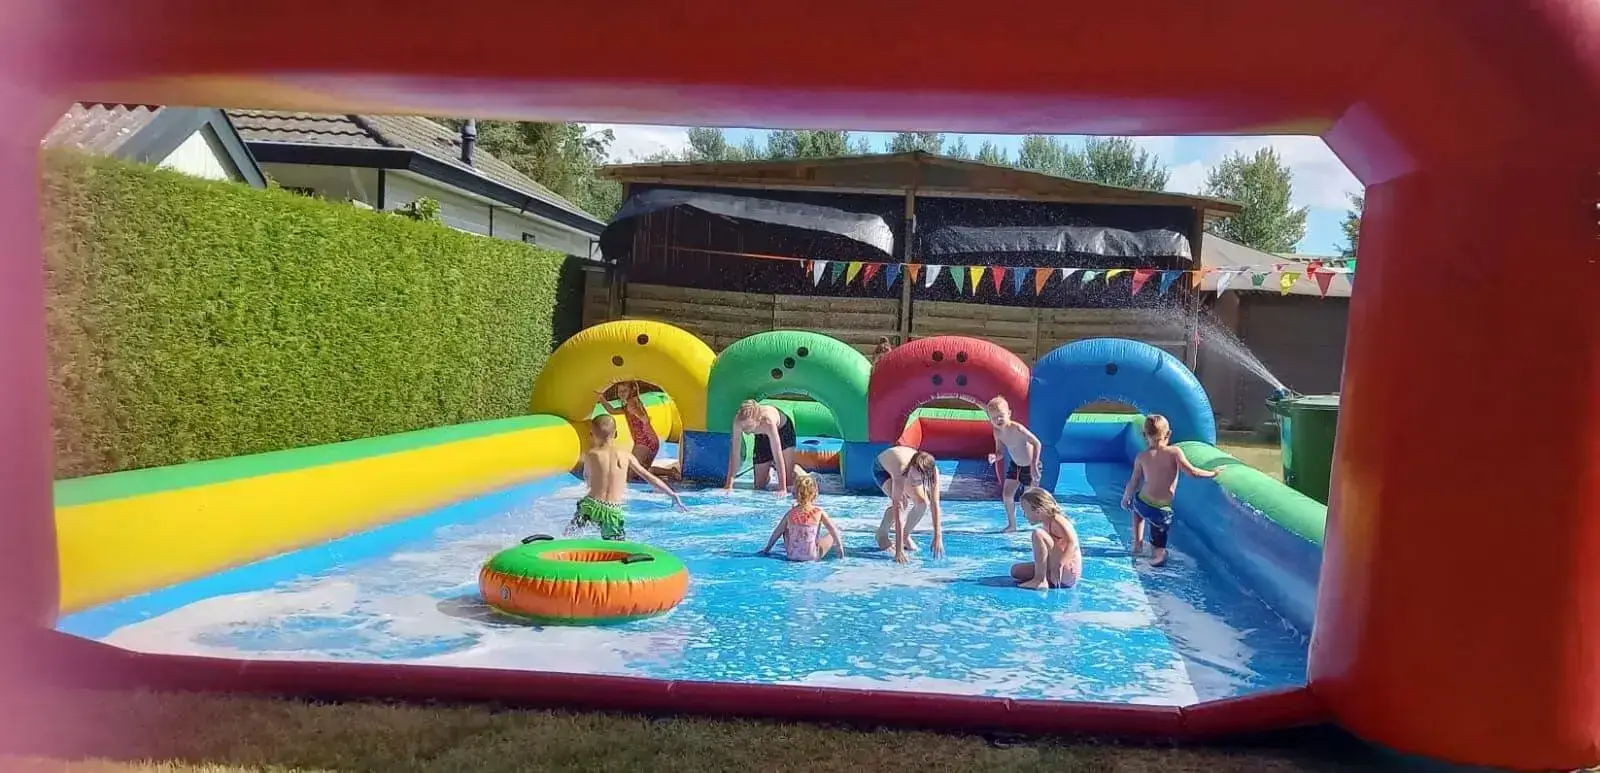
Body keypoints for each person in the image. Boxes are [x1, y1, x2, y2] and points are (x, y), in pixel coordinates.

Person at [1121, 414, 1219, 566]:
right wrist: (1213, 473)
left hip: (1143, 503)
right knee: (1159, 539)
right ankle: (1159, 555)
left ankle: (1137, 544)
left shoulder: (1142, 456)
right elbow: (1193, 472)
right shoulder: (1174, 452)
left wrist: (1126, 497)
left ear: (1144, 435)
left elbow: (1133, 481)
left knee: (1137, 510)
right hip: (1161, 509)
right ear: (1168, 434)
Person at [567, 414, 686, 541]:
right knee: (617, 545)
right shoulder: (626, 456)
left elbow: (587, 479)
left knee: (570, 535)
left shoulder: (591, 455)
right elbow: (648, 477)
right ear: (616, 433)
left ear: (592, 434)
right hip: (611, 509)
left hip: (590, 504)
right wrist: (672, 494)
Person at [872, 445, 945, 563]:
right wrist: (899, 551)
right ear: (911, 468)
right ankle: (882, 534)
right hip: (882, 468)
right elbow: (898, 511)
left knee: (922, 503)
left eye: (918, 481)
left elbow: (935, 504)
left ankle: (905, 535)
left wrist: (938, 536)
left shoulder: (933, 472)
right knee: (902, 503)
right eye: (912, 478)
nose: (912, 483)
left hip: (904, 467)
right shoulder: (901, 470)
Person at [983, 396, 1044, 533]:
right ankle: (1012, 525)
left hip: (1030, 466)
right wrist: (995, 457)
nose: (998, 420)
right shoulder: (997, 432)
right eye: (994, 418)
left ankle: (1046, 520)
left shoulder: (1018, 429)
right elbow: (1000, 452)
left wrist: (1034, 465)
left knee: (1030, 500)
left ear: (1009, 413)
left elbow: (1037, 443)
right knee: (1007, 495)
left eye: (1001, 415)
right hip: (1015, 466)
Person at [759, 469, 846, 562]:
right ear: (815, 493)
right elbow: (832, 529)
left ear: (794, 494)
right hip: (811, 557)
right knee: (832, 534)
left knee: (785, 529)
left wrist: (767, 549)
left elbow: (777, 533)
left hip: (792, 556)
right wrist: (839, 547)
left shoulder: (790, 514)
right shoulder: (818, 512)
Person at [1010, 487, 1083, 590]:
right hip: (1056, 569)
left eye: (1025, 511)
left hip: (1067, 570)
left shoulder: (1057, 520)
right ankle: (1043, 577)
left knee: (1038, 533)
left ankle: (1040, 580)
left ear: (1038, 511)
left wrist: (1060, 565)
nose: (1024, 516)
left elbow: (1072, 543)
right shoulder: (1047, 522)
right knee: (1016, 571)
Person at [594, 381, 670, 477]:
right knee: (642, 471)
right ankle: (671, 472)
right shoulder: (629, 405)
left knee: (632, 474)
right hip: (649, 441)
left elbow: (645, 419)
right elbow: (612, 411)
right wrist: (601, 398)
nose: (621, 393)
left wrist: (640, 415)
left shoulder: (631, 403)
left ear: (631, 391)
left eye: (624, 391)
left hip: (645, 442)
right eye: (620, 391)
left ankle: (669, 472)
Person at [723, 400, 797, 495]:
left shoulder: (768, 421)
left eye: (748, 426)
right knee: (759, 486)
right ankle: (769, 471)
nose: (745, 430)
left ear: (758, 420)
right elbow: (735, 454)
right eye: (743, 427)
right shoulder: (738, 421)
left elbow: (778, 456)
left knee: (788, 483)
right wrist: (728, 485)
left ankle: (796, 470)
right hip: (761, 436)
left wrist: (782, 489)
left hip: (783, 431)